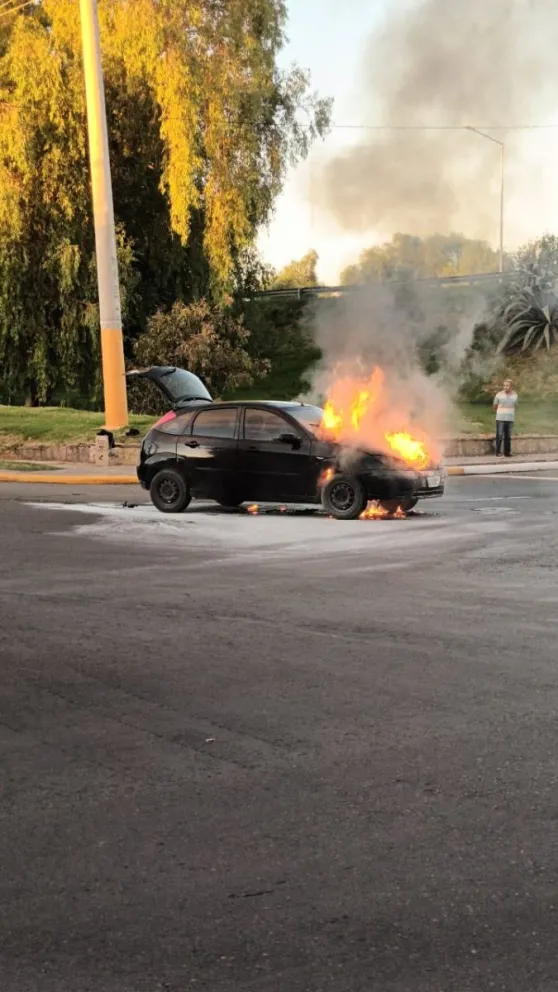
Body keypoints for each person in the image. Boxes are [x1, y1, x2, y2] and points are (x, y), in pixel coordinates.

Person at [493, 379, 518, 457]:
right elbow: (495, 406)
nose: (505, 387)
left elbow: (516, 405)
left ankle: (507, 452)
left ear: (511, 387)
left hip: (510, 418)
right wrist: (500, 412)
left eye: (507, 385)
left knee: (508, 436)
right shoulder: (499, 395)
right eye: (504, 385)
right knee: (499, 435)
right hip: (500, 417)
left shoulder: (515, 395)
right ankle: (498, 452)